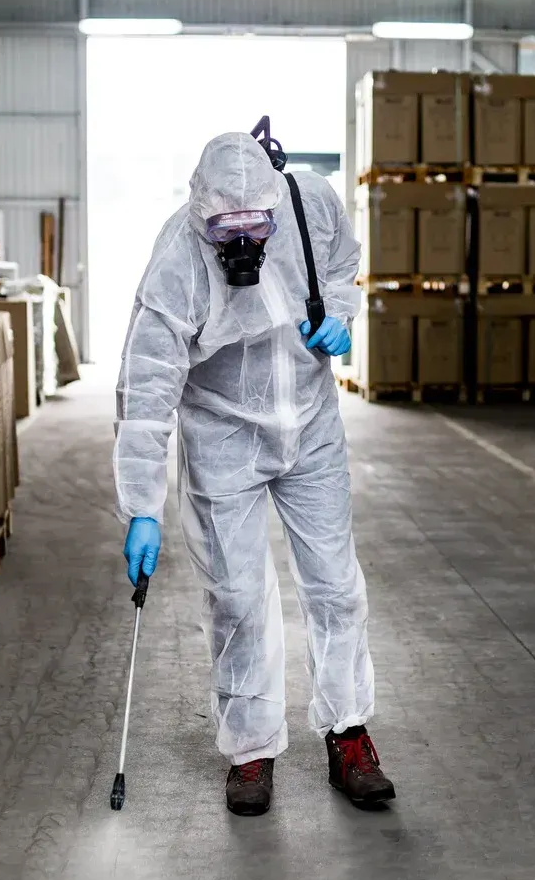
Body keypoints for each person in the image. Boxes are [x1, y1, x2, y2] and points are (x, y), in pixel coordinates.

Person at [113, 128, 395, 817]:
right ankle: (250, 749)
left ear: (275, 199)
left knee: (335, 585)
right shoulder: (178, 259)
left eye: (255, 227)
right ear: (200, 213)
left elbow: (342, 265)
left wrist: (344, 317)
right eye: (225, 231)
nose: (242, 244)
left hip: (312, 422)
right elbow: (146, 389)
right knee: (237, 597)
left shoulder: (310, 205)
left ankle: (348, 732)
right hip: (221, 434)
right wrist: (142, 503)